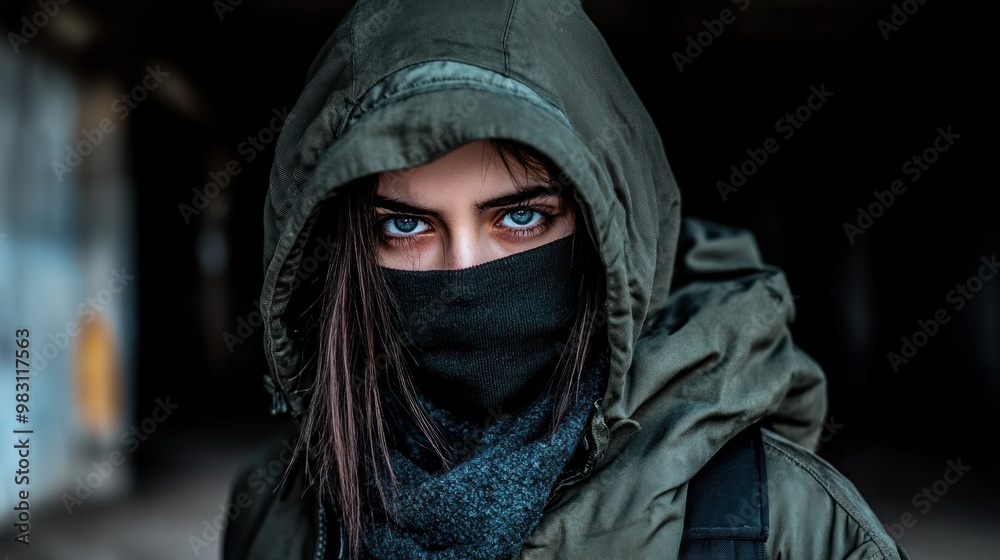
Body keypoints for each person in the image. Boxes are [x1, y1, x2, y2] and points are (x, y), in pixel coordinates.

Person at [222, 0, 910, 558]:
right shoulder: (279, 512)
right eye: (405, 226)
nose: (465, 273)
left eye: (521, 217)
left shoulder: (783, 524)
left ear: (608, 232)